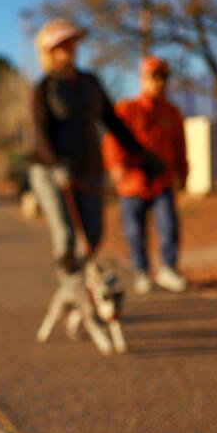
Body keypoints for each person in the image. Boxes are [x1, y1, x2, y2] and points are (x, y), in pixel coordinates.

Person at [29, 19, 161, 275]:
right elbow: (40, 132)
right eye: (62, 45)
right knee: (66, 236)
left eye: (71, 43)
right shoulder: (43, 89)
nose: (70, 49)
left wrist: (141, 155)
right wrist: (56, 164)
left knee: (93, 236)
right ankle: (75, 295)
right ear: (49, 52)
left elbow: (112, 122)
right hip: (51, 172)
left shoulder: (90, 83)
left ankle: (82, 288)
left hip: (87, 169)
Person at [103, 56, 189, 293]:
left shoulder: (172, 112)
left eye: (163, 78)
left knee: (169, 225)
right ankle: (141, 271)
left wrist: (184, 171)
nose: (158, 83)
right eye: (153, 77)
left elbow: (180, 144)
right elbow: (112, 139)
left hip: (162, 180)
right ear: (142, 79)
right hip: (133, 181)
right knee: (134, 231)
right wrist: (115, 165)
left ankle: (168, 268)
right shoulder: (127, 109)